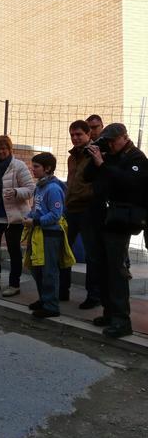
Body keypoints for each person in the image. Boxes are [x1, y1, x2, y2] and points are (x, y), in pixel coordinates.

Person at [84, 123, 148, 338]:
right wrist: (95, 156)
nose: (110, 145)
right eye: (107, 141)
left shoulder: (137, 158)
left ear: (124, 137)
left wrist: (103, 164)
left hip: (120, 220)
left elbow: (130, 184)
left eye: (112, 141)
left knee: (116, 270)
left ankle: (122, 321)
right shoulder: (108, 155)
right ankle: (109, 313)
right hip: (101, 216)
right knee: (101, 267)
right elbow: (87, 176)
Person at [0, 135, 35, 296]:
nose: (1, 152)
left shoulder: (19, 166)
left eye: (4, 148)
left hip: (14, 216)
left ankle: (14, 285)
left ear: (10, 149)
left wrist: (16, 192)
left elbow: (31, 189)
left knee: (14, 251)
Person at [58, 120, 100, 308]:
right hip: (71, 208)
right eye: (72, 135)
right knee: (63, 250)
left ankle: (94, 296)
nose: (75, 138)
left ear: (88, 134)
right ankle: (62, 290)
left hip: (89, 209)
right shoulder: (72, 157)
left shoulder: (95, 153)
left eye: (79, 134)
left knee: (92, 255)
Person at [23, 152, 69, 319]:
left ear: (47, 168)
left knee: (49, 270)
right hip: (38, 233)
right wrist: (28, 217)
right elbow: (36, 209)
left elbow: (56, 215)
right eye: (32, 166)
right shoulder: (39, 187)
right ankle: (44, 299)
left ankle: (51, 306)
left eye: (36, 167)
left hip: (50, 235)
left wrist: (35, 222)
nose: (32, 169)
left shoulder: (54, 189)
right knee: (36, 268)